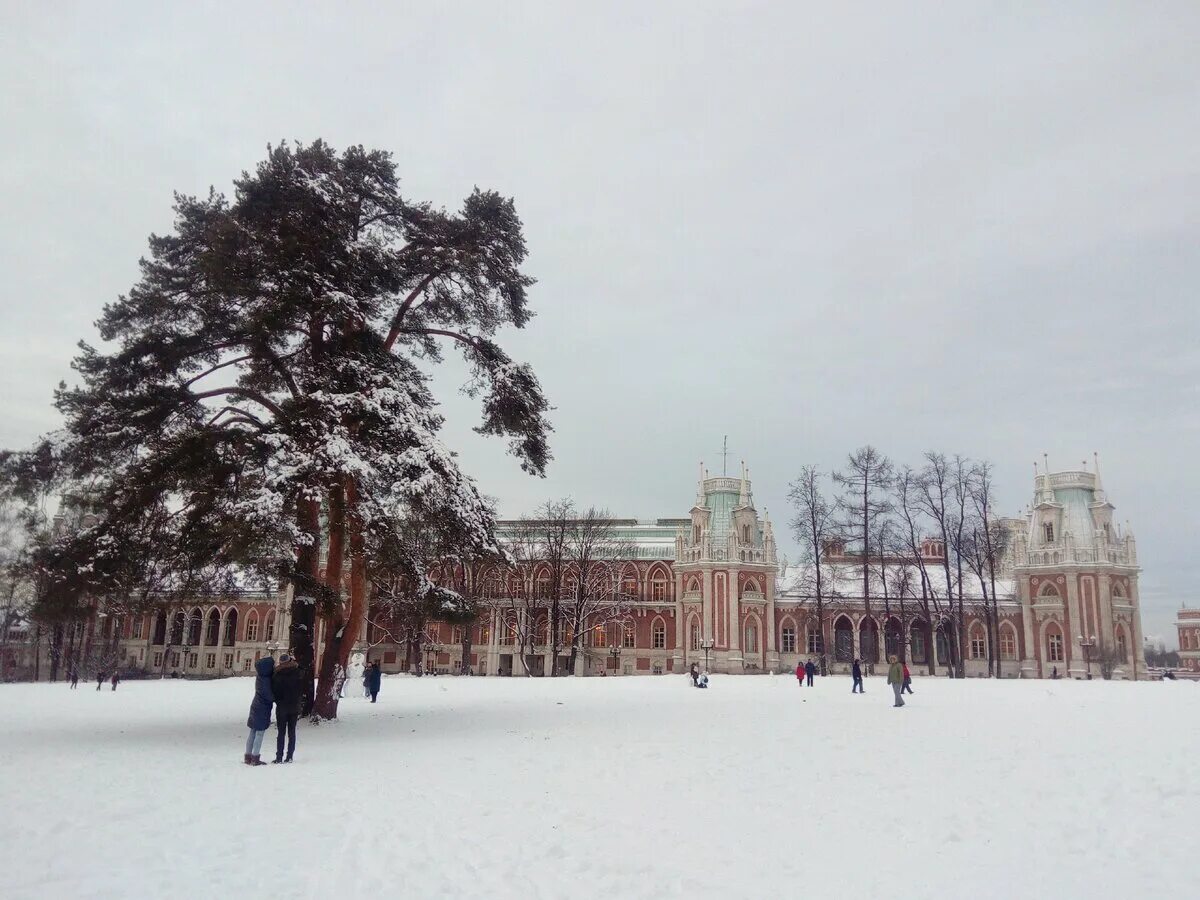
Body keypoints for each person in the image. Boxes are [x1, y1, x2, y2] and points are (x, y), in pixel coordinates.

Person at [271, 653, 301, 764]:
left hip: (282, 706)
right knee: (292, 732)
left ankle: (279, 757)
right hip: (294, 706)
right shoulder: (297, 672)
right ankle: (289, 756)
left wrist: (278, 701)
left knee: (281, 733)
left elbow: (274, 691)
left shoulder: (277, 674)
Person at [244, 656, 275, 766]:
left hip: (255, 705)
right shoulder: (266, 680)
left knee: (253, 731)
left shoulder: (261, 676)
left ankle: (248, 756)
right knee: (259, 733)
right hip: (263, 708)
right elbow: (269, 696)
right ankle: (255, 757)